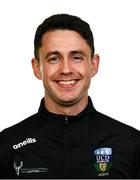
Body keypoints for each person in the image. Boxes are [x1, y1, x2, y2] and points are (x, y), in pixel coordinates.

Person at [0, 14, 140, 179]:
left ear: (93, 65)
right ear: (37, 68)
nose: (66, 69)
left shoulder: (131, 144)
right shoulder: (6, 146)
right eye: (54, 58)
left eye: (77, 57)